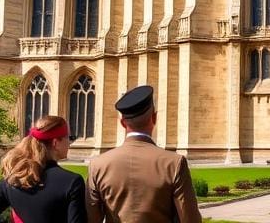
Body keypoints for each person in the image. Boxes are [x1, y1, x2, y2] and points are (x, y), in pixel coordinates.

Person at [87, 84, 202, 223]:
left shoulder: (98, 165)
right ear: (154, 118)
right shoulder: (174, 163)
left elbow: (91, 218)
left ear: (123, 123)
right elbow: (190, 219)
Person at [0, 115, 87, 223]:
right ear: (55, 143)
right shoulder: (72, 182)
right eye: (68, 138)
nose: (70, 143)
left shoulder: (12, 179)